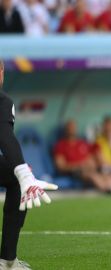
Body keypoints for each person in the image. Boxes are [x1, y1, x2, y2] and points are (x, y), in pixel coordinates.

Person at [0, 60, 58, 269]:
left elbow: (5, 137)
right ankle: (7, 261)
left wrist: (23, 173)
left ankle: (7, 261)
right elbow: (4, 136)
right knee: (18, 178)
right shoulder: (3, 101)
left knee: (16, 179)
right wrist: (23, 172)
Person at [53, 119, 111, 194]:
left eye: (73, 127)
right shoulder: (60, 145)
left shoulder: (82, 143)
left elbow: (91, 159)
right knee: (93, 176)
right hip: (75, 171)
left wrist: (91, 164)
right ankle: (107, 191)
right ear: (66, 130)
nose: (72, 130)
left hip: (89, 169)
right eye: (70, 127)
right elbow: (61, 166)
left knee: (107, 176)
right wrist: (79, 165)